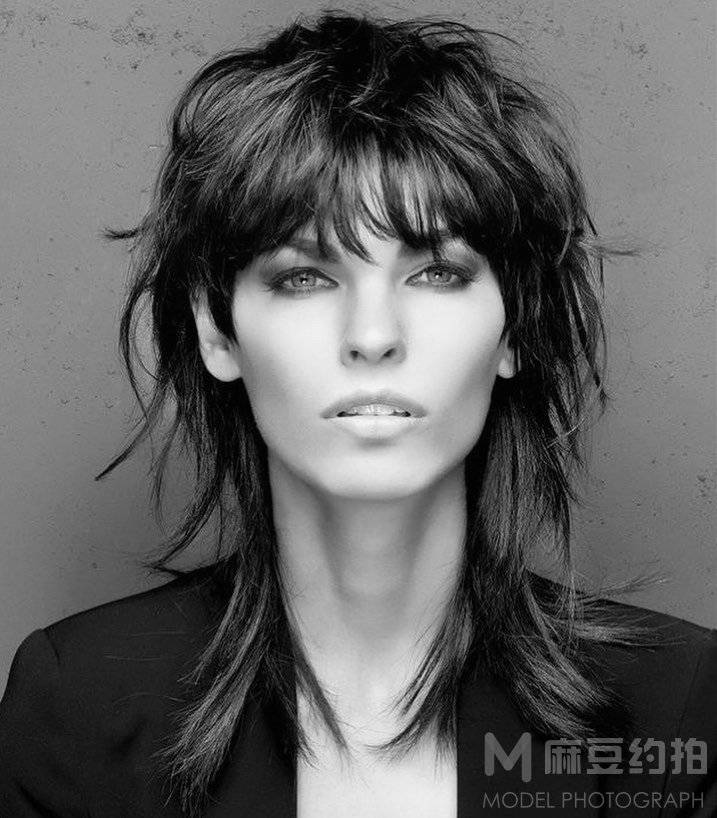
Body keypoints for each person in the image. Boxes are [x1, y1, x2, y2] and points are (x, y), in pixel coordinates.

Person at [0, 10, 714, 818]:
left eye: (436, 272)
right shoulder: (79, 704)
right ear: (216, 331)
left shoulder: (677, 706)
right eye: (303, 277)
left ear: (514, 327)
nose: (372, 336)